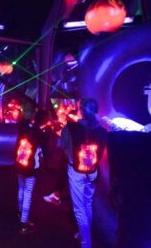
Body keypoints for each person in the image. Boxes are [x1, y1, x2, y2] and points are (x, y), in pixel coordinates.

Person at [61, 98, 107, 248]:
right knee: (87, 204)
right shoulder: (102, 131)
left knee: (79, 208)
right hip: (93, 171)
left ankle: (86, 244)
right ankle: (83, 233)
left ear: (81, 110)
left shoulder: (71, 127)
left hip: (76, 171)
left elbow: (64, 146)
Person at [15, 109, 49, 234]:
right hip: (31, 168)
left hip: (20, 163)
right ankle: (24, 224)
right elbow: (46, 153)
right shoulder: (40, 133)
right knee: (28, 193)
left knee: (21, 189)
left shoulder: (24, 127)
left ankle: (20, 213)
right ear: (44, 120)